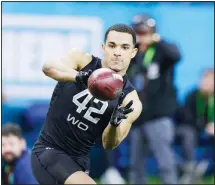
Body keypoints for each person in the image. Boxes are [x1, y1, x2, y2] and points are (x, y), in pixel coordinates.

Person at [31, 24, 142, 184]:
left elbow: (109, 144)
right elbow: (48, 67)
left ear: (133, 52)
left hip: (79, 162)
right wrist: (79, 77)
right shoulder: (82, 61)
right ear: (103, 47)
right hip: (48, 150)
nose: (117, 52)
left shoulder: (130, 100)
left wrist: (114, 123)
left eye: (125, 47)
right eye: (112, 46)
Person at [128, 14, 181, 184]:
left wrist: (156, 40)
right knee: (136, 165)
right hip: (137, 116)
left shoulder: (162, 51)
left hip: (158, 116)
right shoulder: (132, 54)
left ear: (153, 32)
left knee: (165, 161)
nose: (141, 35)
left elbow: (175, 55)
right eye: (138, 32)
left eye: (145, 31)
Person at [176, 68, 214, 184]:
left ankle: (205, 168)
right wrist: (205, 127)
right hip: (192, 130)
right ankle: (190, 169)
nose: (206, 83)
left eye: (210, 81)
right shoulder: (193, 95)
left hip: (210, 132)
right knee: (188, 134)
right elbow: (187, 118)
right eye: (205, 80)